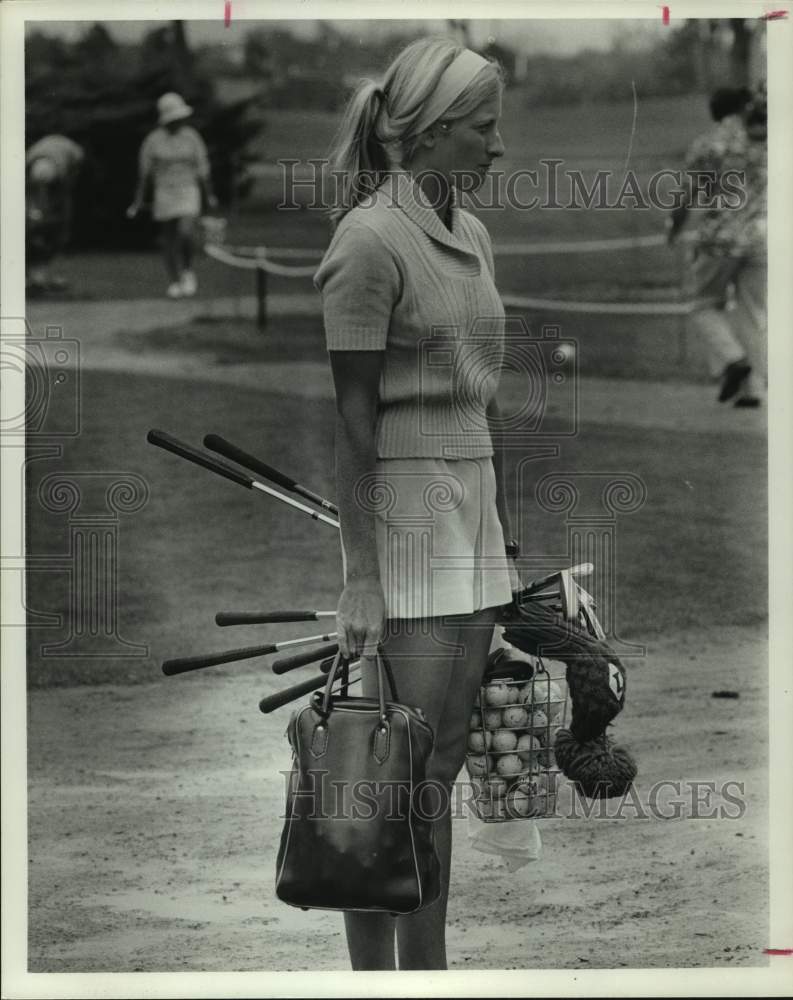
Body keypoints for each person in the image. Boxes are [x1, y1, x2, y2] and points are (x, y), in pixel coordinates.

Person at [313, 36, 520, 970]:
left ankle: (419, 975)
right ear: (431, 132)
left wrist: (500, 547)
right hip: (404, 516)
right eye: (482, 127)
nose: (497, 145)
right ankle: (387, 980)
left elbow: (478, 399)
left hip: (470, 508)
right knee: (394, 775)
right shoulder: (366, 240)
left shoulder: (469, 233)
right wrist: (361, 578)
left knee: (433, 770)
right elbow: (353, 422)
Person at [668, 86, 767, 408]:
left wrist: (675, 228)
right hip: (761, 238)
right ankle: (752, 391)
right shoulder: (765, 141)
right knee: (752, 316)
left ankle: (733, 360)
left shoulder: (708, 144)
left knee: (702, 305)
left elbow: (687, 195)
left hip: (720, 239)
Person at [127, 92, 217, 299]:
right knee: (168, 240)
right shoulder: (153, 141)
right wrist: (138, 201)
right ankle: (174, 281)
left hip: (188, 189)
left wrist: (209, 195)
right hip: (164, 192)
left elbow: (202, 168)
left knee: (186, 232)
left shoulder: (191, 137)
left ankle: (187, 271)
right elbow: (145, 174)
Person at [25, 134, 85, 294]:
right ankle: (33, 276)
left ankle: (39, 275)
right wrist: (35, 214)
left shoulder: (69, 160)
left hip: (62, 171)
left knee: (55, 228)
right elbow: (32, 193)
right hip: (41, 166)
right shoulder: (29, 161)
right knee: (35, 229)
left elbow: (66, 189)